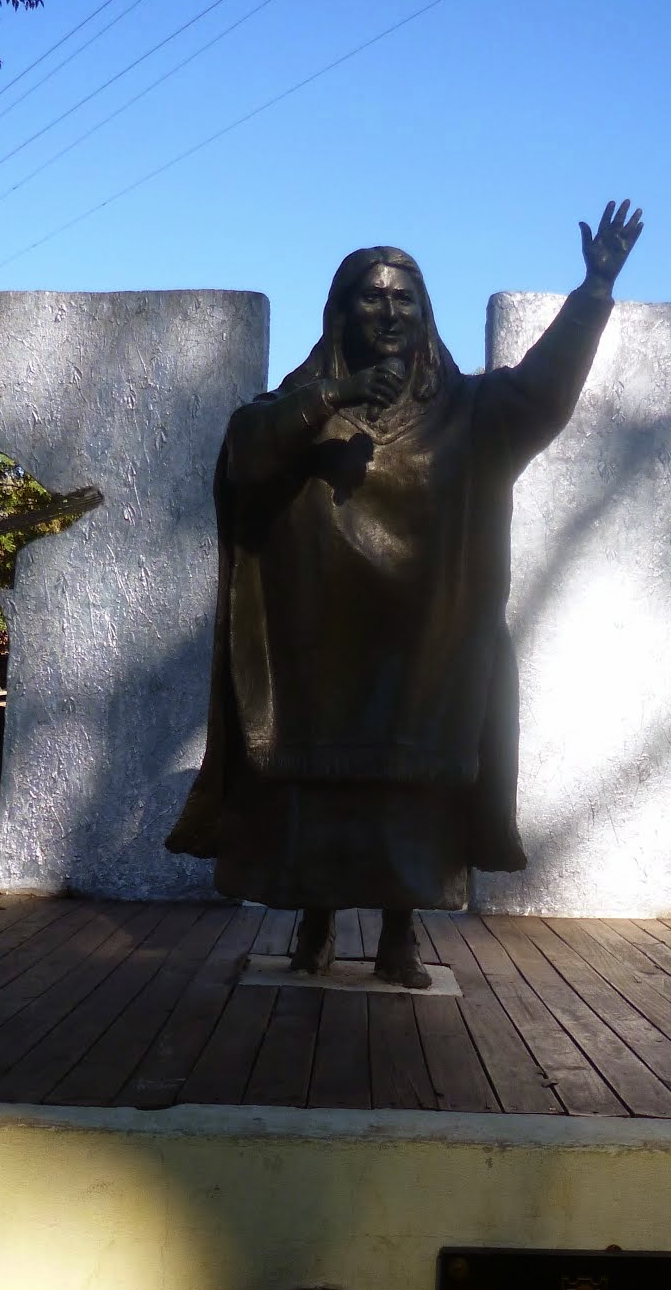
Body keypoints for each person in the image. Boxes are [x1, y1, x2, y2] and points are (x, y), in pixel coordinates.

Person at [167, 201, 644, 986]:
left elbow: (540, 395)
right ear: (342, 310)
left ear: (424, 315)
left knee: (410, 790)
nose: (389, 312)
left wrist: (592, 294)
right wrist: (338, 395)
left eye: (404, 299)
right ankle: (313, 930)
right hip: (320, 635)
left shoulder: (467, 412)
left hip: (426, 638)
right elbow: (247, 452)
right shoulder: (301, 405)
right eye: (372, 296)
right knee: (318, 786)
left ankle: (398, 936)